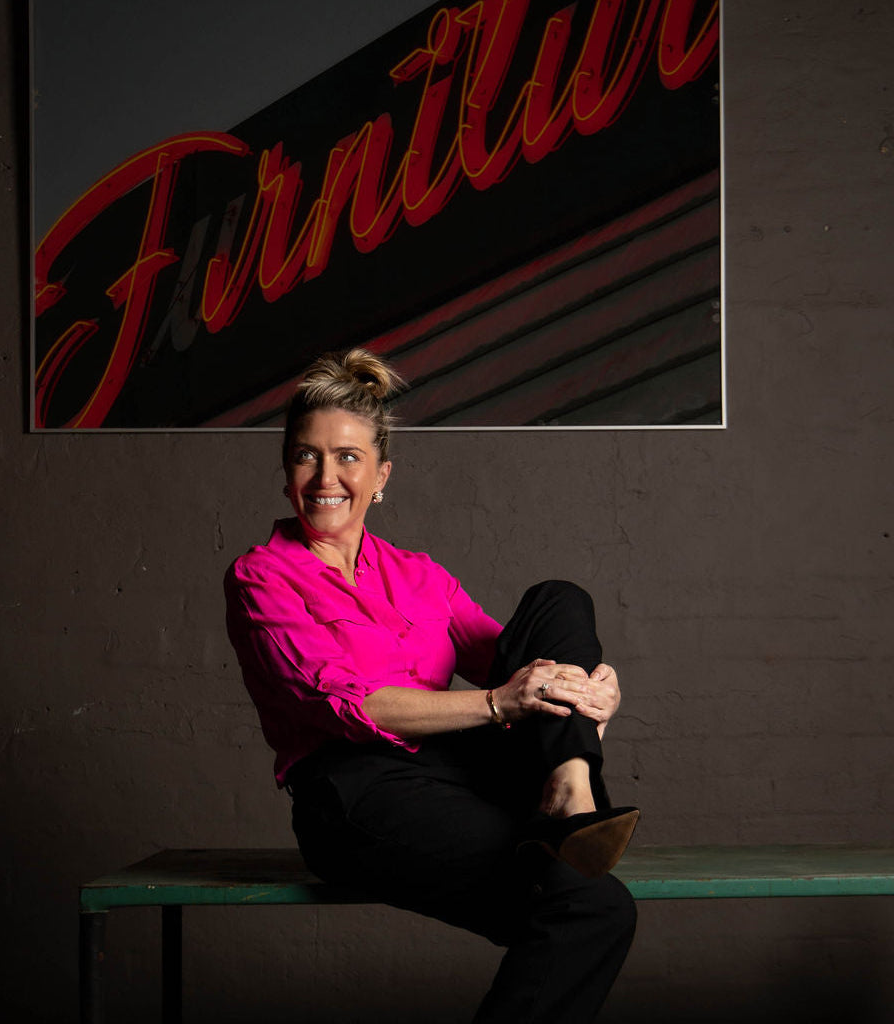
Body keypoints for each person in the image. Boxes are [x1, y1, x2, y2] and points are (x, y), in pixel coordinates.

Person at [224, 348, 638, 1023]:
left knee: (559, 601)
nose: (326, 476)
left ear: (382, 476)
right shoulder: (261, 577)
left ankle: (571, 785)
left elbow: (519, 659)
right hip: (356, 794)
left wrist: (587, 692)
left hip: (460, 773)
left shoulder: (419, 574)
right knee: (596, 905)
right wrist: (503, 702)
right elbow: (349, 704)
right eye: (307, 456)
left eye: (348, 457)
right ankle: (563, 804)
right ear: (286, 472)